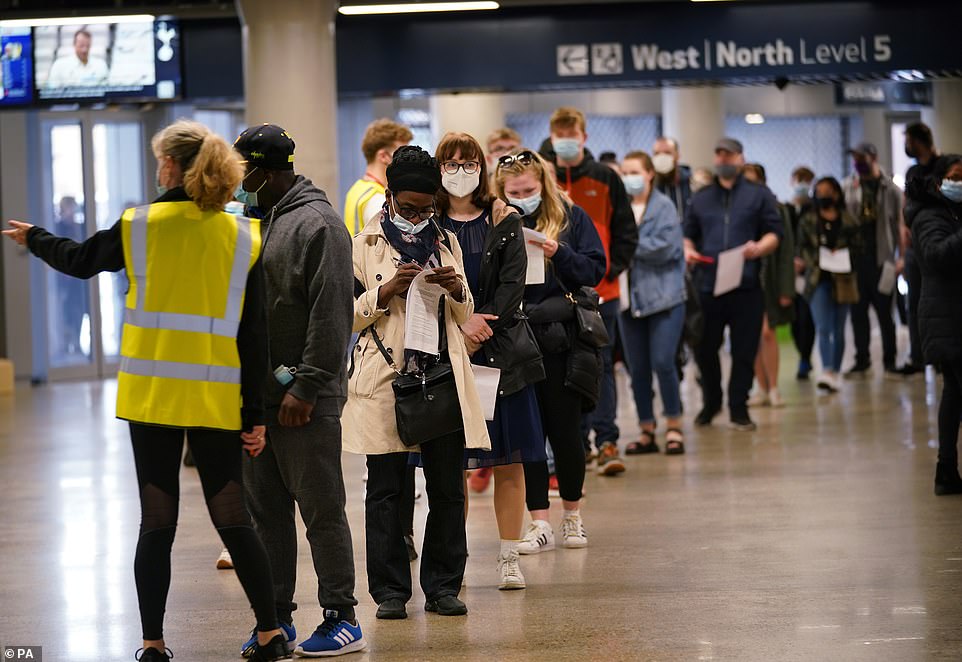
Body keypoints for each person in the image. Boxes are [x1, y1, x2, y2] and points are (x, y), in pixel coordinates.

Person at [3, 120, 291, 662]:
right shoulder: (241, 236)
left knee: (157, 522)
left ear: (171, 167)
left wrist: (35, 237)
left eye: (160, 159)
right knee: (233, 517)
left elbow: (81, 260)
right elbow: (255, 336)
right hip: (216, 398)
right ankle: (271, 633)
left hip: (153, 397)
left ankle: (154, 644)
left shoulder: (140, 225)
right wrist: (254, 416)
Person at [233, 124, 365, 658]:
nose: (238, 183)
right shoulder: (254, 224)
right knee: (265, 515)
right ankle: (276, 618)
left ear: (266, 173)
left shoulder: (321, 226)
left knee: (321, 508)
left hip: (303, 401)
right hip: (259, 401)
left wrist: (307, 386)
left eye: (244, 173)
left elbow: (331, 315)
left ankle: (342, 616)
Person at [345, 145, 490, 619]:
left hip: (441, 375)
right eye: (408, 209)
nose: (417, 216)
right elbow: (343, 317)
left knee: (447, 486)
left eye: (426, 209)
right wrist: (385, 292)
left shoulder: (445, 241)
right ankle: (389, 592)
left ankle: (444, 586)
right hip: (386, 376)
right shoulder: (362, 246)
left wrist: (455, 289)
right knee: (385, 488)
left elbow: (465, 311)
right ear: (389, 198)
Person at [433, 132, 546, 589]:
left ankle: (507, 556)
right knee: (451, 467)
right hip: (446, 356)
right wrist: (459, 328)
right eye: (451, 163)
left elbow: (512, 287)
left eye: (468, 162)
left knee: (510, 461)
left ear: (482, 167)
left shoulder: (506, 220)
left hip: (502, 356)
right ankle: (453, 562)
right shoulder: (430, 223)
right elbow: (425, 286)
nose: (460, 171)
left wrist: (480, 327)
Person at [493, 148, 606, 553]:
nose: (524, 195)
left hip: (562, 337)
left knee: (566, 431)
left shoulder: (571, 217)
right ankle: (539, 521)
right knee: (528, 434)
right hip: (517, 340)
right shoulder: (498, 220)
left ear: (543, 183)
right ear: (502, 191)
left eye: (529, 188)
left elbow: (596, 269)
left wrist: (560, 252)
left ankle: (572, 516)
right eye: (515, 190)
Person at [547, 106, 636, 474]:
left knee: (601, 367)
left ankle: (607, 439)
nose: (566, 140)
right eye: (559, 135)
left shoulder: (605, 178)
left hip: (603, 293)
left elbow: (627, 231)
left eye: (572, 134)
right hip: (556, 295)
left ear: (584, 136)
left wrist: (609, 272)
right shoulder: (544, 177)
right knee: (568, 371)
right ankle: (577, 444)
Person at [683, 137, 783, 431]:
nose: (723, 160)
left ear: (741, 158)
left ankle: (738, 407)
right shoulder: (701, 198)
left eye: (728, 155)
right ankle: (711, 402)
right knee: (705, 348)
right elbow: (688, 233)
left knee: (744, 349)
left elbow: (775, 233)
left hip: (746, 284)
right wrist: (688, 250)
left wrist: (760, 248)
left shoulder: (759, 194)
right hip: (708, 284)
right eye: (719, 155)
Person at [618, 151, 687, 454]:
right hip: (628, 300)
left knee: (663, 362)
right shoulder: (619, 208)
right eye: (624, 172)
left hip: (665, 298)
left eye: (634, 171)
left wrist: (627, 247)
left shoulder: (663, 206)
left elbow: (667, 249)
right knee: (638, 368)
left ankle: (674, 424)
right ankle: (647, 429)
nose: (628, 177)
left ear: (649, 174)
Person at [905, 154, 962, 495]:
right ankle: (945, 470)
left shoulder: (953, 212)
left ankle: (946, 471)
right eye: (955, 176)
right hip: (947, 318)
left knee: (954, 394)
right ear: (939, 181)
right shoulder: (928, 217)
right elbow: (938, 256)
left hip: (951, 315)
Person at [841, 142, 903, 378]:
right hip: (856, 262)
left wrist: (902, 258)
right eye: (855, 157)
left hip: (883, 260)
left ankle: (890, 361)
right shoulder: (848, 185)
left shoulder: (890, 188)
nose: (858, 162)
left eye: (861, 157)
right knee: (858, 314)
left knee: (885, 314)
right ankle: (861, 360)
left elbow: (900, 225)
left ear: (873, 157)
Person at [797, 177, 861, 393]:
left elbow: (859, 247)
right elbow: (802, 247)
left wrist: (842, 254)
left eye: (827, 190)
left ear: (836, 193)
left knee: (839, 328)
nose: (823, 195)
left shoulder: (849, 220)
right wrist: (816, 258)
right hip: (817, 279)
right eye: (819, 191)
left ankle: (836, 370)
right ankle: (827, 370)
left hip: (842, 278)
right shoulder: (808, 220)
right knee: (823, 327)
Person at [743, 163, 795, 408]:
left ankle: (773, 387)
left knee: (767, 332)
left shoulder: (777, 208)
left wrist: (787, 289)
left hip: (770, 280)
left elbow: (786, 252)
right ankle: (760, 387)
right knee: (750, 334)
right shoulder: (737, 208)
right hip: (746, 281)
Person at [900, 122, 940, 377]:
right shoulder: (912, 170)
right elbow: (906, 204)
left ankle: (938, 356)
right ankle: (917, 356)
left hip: (936, 244)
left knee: (936, 302)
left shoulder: (943, 166)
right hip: (914, 246)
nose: (907, 145)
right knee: (913, 303)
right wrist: (903, 230)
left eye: (909, 140)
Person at [342, 119, 412, 236]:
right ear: (383, 156)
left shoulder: (356, 188)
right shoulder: (378, 200)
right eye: (402, 154)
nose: (406, 161)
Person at [789, 166, 817, 380]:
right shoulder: (786, 210)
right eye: (798, 180)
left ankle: (805, 359)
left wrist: (805, 261)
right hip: (790, 273)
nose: (801, 184)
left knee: (807, 319)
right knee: (794, 320)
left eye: (805, 181)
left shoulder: (815, 210)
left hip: (810, 273)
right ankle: (802, 354)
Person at [651, 136, 693, 217]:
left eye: (667, 153)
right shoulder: (650, 186)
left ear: (677, 156)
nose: (661, 157)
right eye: (657, 153)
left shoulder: (692, 183)